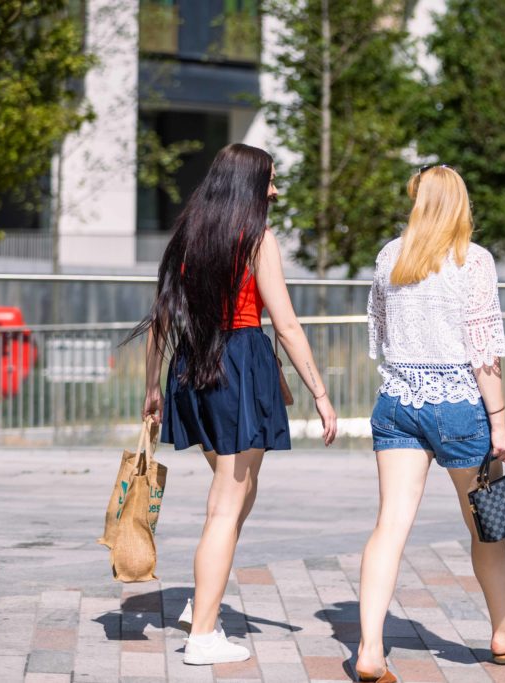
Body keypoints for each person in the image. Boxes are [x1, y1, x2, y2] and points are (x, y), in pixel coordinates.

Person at [129, 143, 338, 666]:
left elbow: (161, 318)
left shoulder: (189, 236)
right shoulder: (257, 240)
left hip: (193, 368)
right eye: (268, 180)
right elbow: (286, 324)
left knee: (238, 491)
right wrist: (321, 392)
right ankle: (202, 635)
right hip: (239, 367)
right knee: (226, 505)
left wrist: (152, 386)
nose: (274, 189)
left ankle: (204, 600)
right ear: (247, 183)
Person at [355, 165, 505, 682]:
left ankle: (370, 650)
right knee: (486, 527)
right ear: (460, 203)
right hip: (459, 405)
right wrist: (500, 425)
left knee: (389, 526)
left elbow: (379, 332)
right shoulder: (473, 260)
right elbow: (484, 353)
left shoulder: (389, 256)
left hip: (396, 399)